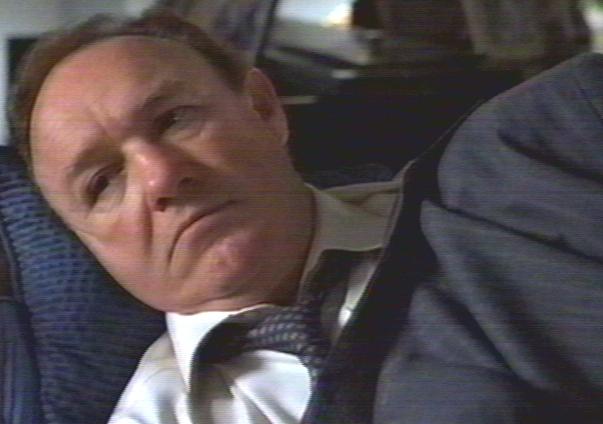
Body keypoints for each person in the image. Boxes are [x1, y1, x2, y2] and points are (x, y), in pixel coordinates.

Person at [9, 8, 603, 424]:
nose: (162, 177)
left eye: (173, 120)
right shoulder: (158, 416)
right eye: (103, 182)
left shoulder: (513, 176)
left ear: (264, 109)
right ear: (86, 240)